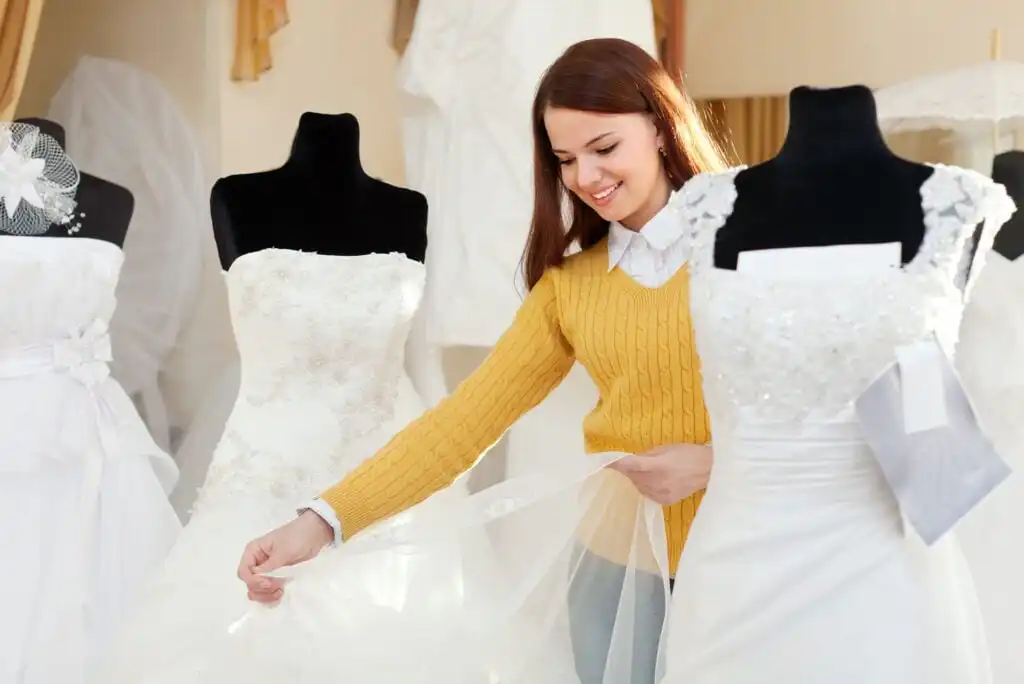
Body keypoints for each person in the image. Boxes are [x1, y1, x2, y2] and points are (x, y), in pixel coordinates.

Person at [238, 37, 727, 683]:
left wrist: (719, 464)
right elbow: (463, 422)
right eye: (565, 159)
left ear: (662, 128)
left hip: (744, 550)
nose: (586, 178)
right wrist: (323, 520)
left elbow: (841, 398)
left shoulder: (753, 245)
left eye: (605, 148)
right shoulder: (572, 286)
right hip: (615, 569)